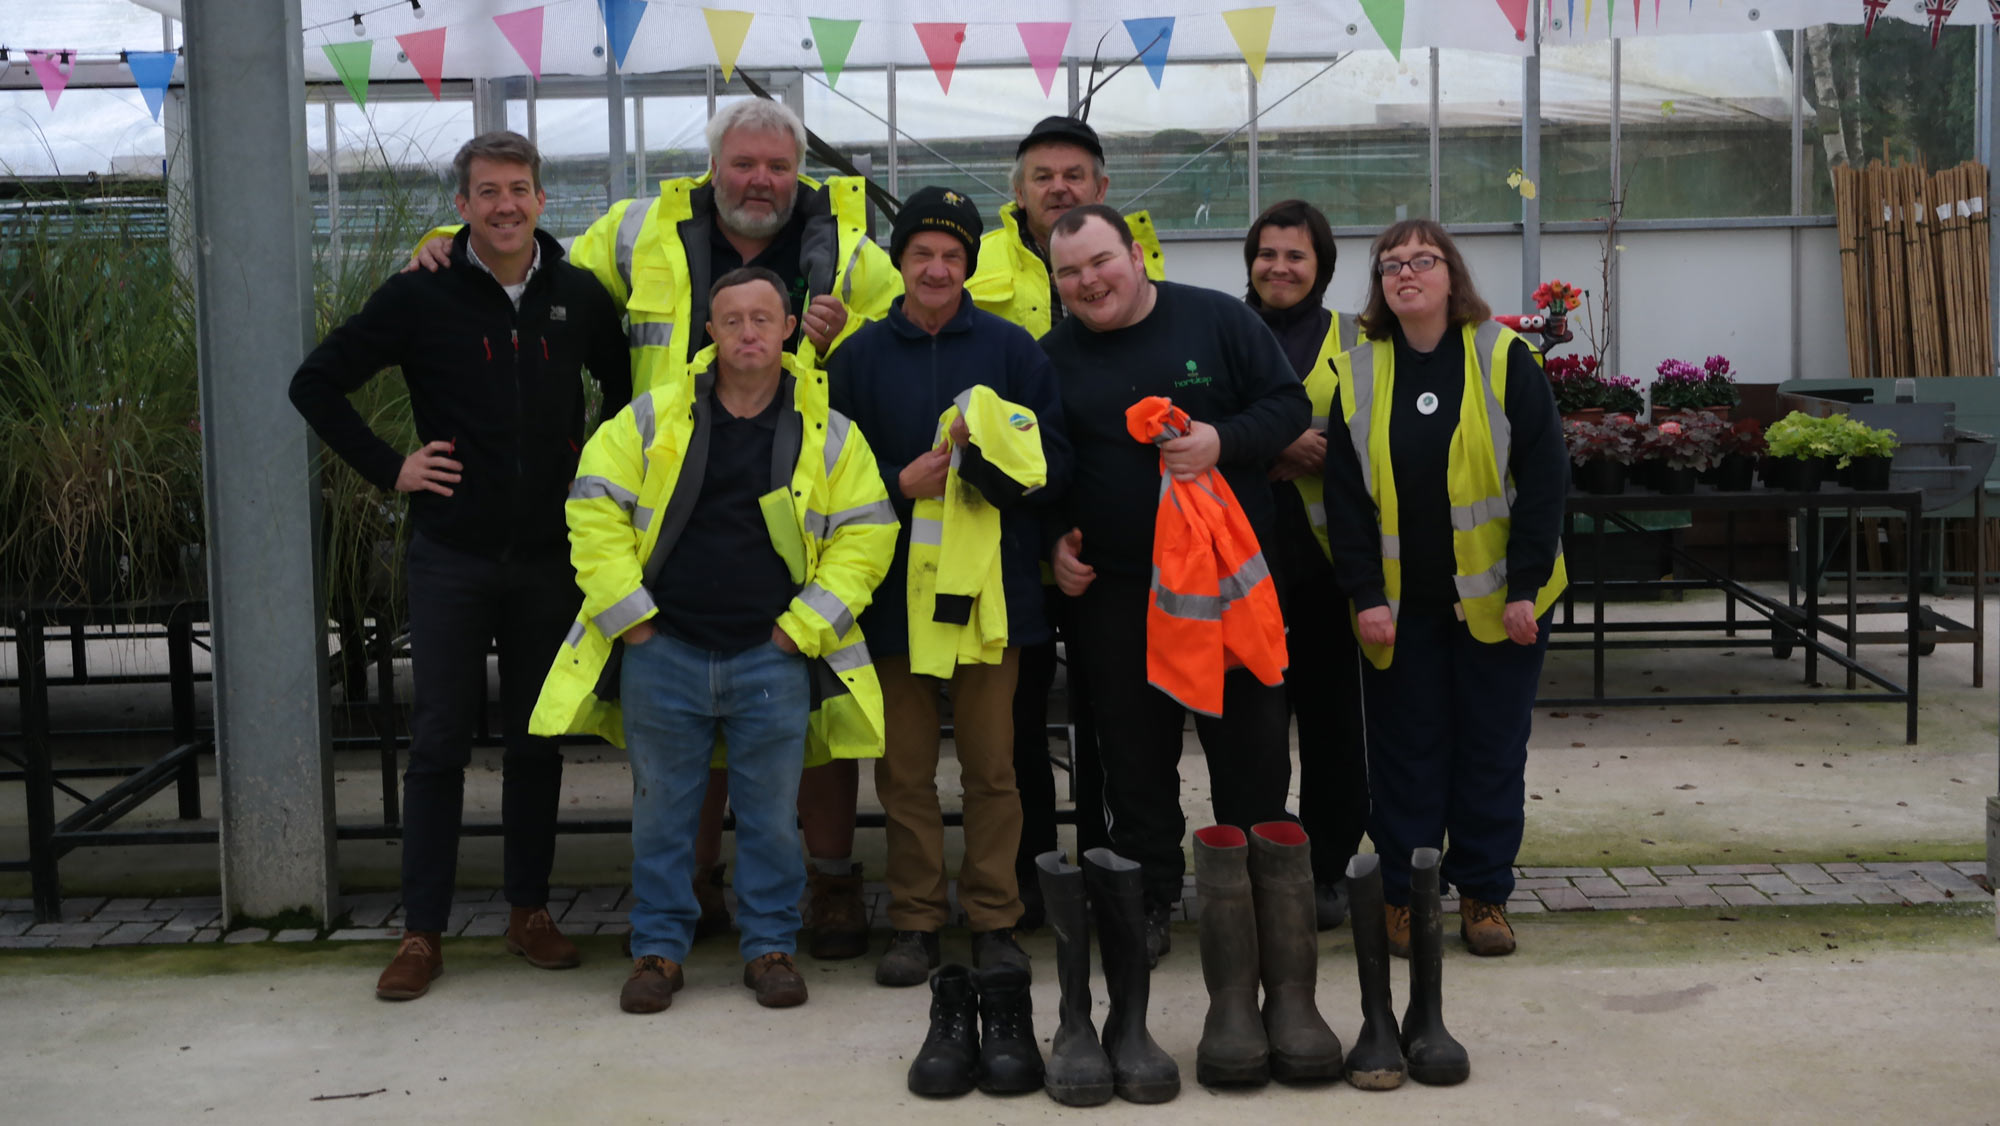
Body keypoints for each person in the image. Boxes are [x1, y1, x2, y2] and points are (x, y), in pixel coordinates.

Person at [411, 97, 900, 959]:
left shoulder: (851, 249)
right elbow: (536, 269)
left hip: (802, 501)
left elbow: (907, 337)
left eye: (778, 167)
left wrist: (852, 332)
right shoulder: (640, 229)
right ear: (714, 165)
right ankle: (695, 894)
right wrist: (456, 253)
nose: (760, 180)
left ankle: (828, 888)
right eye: (744, 164)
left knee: (810, 726)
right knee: (686, 727)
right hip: (668, 508)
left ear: (799, 174)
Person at [289, 131, 631, 1001]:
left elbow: (626, 384)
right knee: (438, 744)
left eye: (519, 188)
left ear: (542, 200)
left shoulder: (576, 295)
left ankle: (530, 913)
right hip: (450, 553)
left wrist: (596, 458)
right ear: (463, 204)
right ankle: (422, 931)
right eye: (487, 192)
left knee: (536, 740)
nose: (506, 205)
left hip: (551, 556)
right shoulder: (422, 293)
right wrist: (391, 466)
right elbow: (316, 382)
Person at [528, 267, 897, 1012]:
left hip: (773, 655)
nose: (749, 332)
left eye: (764, 318)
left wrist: (800, 633)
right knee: (662, 812)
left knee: (769, 814)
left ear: (789, 329)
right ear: (710, 332)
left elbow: (865, 535)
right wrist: (632, 618)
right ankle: (658, 951)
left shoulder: (830, 432)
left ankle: (769, 948)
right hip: (664, 652)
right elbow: (593, 509)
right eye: (733, 320)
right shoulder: (650, 419)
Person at [1041, 204, 1311, 964]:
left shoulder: (1218, 320)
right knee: (1134, 760)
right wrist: (1051, 539)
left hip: (1229, 589)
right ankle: (1151, 899)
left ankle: (1257, 902)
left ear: (1134, 254)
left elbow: (1288, 405)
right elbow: (1040, 467)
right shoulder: (1050, 357)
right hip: (1118, 596)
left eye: (1100, 262)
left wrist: (1223, 440)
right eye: (1069, 272)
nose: (1089, 282)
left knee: (1253, 751)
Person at [828, 187, 1072, 986]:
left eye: (953, 255)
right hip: (892, 598)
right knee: (902, 771)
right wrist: (899, 484)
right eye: (922, 253)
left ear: (970, 265)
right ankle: (916, 920)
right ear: (899, 262)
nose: (937, 268)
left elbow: (1055, 466)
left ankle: (996, 918)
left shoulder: (1012, 351)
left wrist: (989, 468)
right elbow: (824, 477)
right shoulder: (857, 358)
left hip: (989, 598)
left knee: (993, 767)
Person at [1321, 218, 1568, 959]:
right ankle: (1404, 895)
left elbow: (1547, 478)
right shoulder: (1358, 371)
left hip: (1503, 604)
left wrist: (1524, 587)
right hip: (1401, 608)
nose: (1406, 274)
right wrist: (1364, 594)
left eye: (1422, 261)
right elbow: (1344, 500)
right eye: (1390, 265)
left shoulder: (1504, 357)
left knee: (1491, 752)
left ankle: (1484, 895)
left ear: (1451, 276)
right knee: (1406, 754)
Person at [965, 115, 1167, 927]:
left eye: (1074, 175)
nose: (1058, 187)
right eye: (1042, 176)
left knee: (1114, 724)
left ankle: (1115, 870)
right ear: (1018, 191)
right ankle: (1033, 883)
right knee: (1016, 728)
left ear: (1102, 189)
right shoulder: (972, 262)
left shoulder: (1139, 258)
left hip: (1105, 549)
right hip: (1014, 536)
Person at [1242, 200, 1369, 931]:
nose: (1279, 268)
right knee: (1256, 733)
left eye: (1295, 255)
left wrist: (1315, 447)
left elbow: (1373, 434)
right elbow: (1203, 429)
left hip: (1328, 566)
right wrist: (1280, 447)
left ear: (1320, 266)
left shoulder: (1357, 337)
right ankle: (1268, 864)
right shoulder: (1226, 331)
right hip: (1244, 567)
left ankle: (1325, 870)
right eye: (1267, 254)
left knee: (1332, 730)